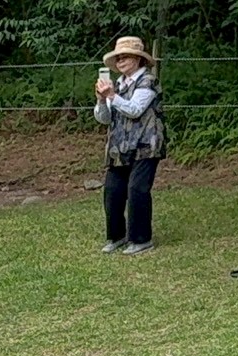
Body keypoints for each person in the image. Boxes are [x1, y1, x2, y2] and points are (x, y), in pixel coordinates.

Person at [94, 37, 166, 255]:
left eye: (125, 57)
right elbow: (105, 119)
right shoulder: (116, 85)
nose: (120, 61)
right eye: (118, 58)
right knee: (112, 191)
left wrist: (112, 96)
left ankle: (141, 239)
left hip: (146, 144)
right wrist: (101, 100)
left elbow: (135, 109)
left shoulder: (148, 81)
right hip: (119, 147)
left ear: (137, 59)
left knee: (137, 190)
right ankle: (117, 236)